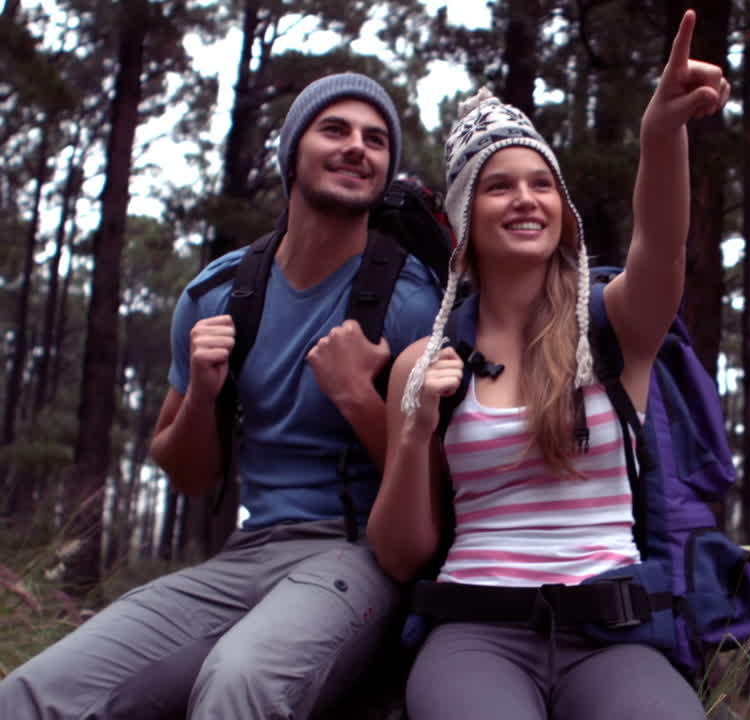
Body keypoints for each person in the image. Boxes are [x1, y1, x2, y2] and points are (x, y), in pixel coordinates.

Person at [0, 72, 442, 719]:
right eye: (335, 129)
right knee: (36, 693)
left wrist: (357, 398)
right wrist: (204, 394)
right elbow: (188, 473)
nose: (358, 147)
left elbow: (438, 493)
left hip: (356, 556)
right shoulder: (221, 293)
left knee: (244, 680)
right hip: (247, 554)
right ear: (292, 151)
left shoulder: (411, 299)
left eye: (376, 140)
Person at [367, 10, 729, 720]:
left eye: (542, 184)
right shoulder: (427, 358)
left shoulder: (615, 325)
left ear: (563, 210)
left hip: (615, 635)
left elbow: (663, 239)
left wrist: (660, 133)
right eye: (500, 186)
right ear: (468, 216)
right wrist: (412, 432)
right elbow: (403, 553)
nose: (527, 198)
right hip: (474, 634)